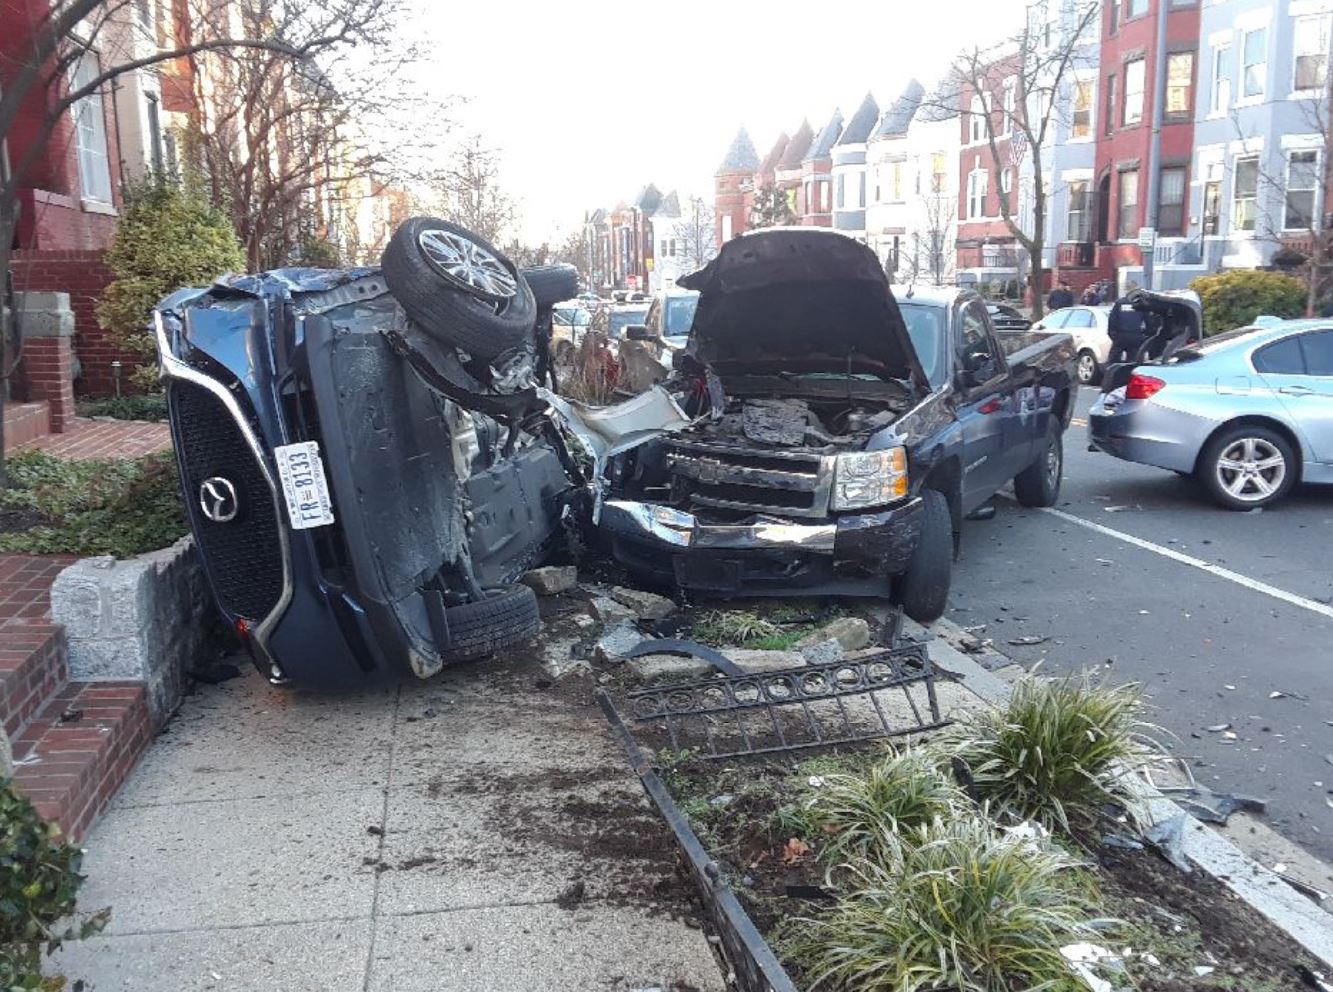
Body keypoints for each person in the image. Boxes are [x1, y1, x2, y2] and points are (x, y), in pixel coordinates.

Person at [1106, 292, 1150, 364]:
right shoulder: (1141, 304)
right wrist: (1146, 334)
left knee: (1113, 360)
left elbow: (1112, 320)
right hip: (1136, 335)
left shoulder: (1120, 303)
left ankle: (1115, 370)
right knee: (1134, 361)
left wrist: (1113, 335)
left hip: (1121, 335)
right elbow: (1148, 320)